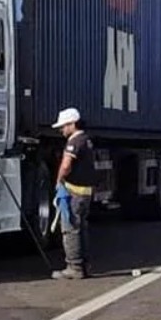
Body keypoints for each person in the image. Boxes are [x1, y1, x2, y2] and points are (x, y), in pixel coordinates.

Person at [51, 107, 97, 280]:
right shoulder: (86, 140)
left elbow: (66, 164)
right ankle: (85, 266)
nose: (61, 130)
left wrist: (59, 181)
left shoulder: (74, 142)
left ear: (72, 124)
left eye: (63, 126)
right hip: (86, 192)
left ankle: (74, 266)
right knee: (82, 229)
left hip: (75, 192)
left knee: (70, 229)